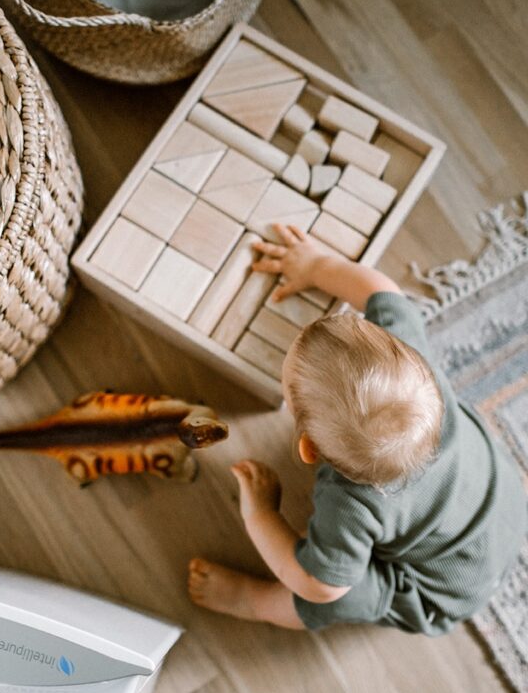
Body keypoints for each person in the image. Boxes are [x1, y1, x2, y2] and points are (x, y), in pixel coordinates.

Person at [188, 223, 526, 634]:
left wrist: (261, 515)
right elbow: (382, 292)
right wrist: (316, 265)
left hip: (444, 590)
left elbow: (320, 586)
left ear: (309, 448)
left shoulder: (349, 503)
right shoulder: (410, 361)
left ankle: (257, 603)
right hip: (505, 502)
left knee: (348, 592)